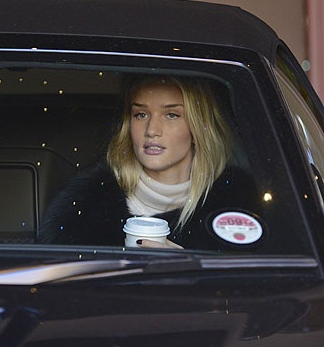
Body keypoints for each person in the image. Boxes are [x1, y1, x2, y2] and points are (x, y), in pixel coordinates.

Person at [39, 75, 261, 250]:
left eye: (171, 115)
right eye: (141, 114)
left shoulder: (240, 206)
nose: (152, 130)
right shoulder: (81, 209)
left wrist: (188, 269)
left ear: (198, 125)